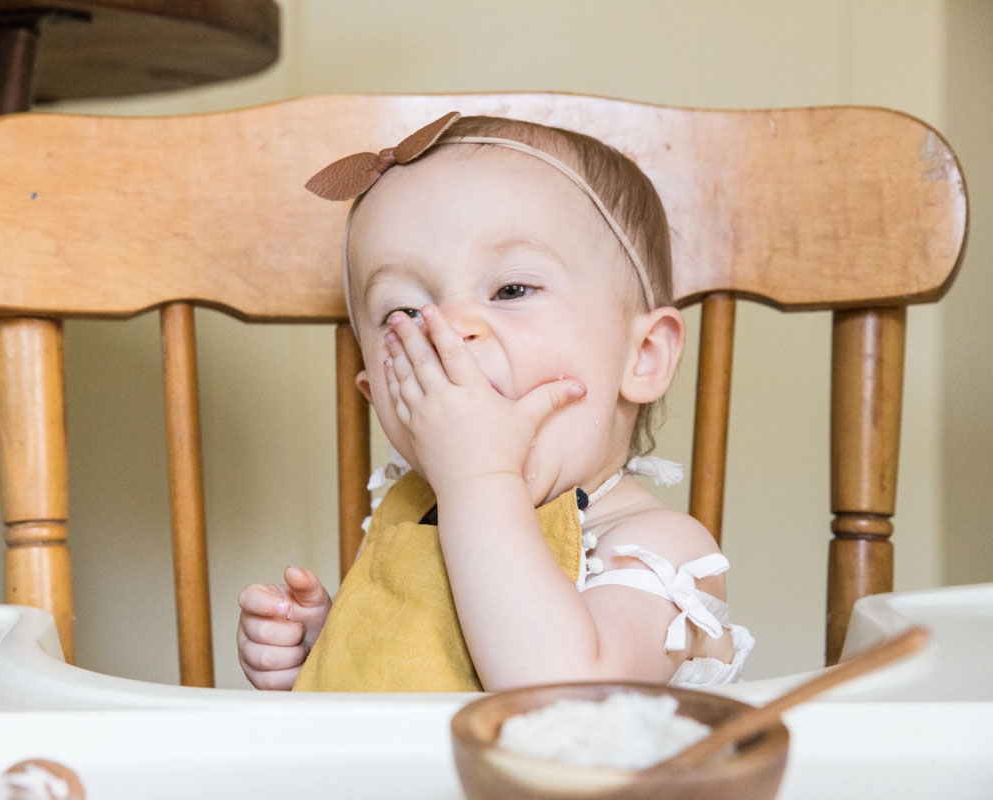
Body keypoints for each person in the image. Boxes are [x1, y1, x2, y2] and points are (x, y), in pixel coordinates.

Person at [236, 112, 753, 692]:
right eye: (403, 313)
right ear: (378, 398)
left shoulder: (655, 547)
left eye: (511, 290)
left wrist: (479, 478)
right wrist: (333, 649)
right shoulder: (412, 519)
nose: (449, 330)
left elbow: (565, 699)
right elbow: (424, 687)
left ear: (644, 355)